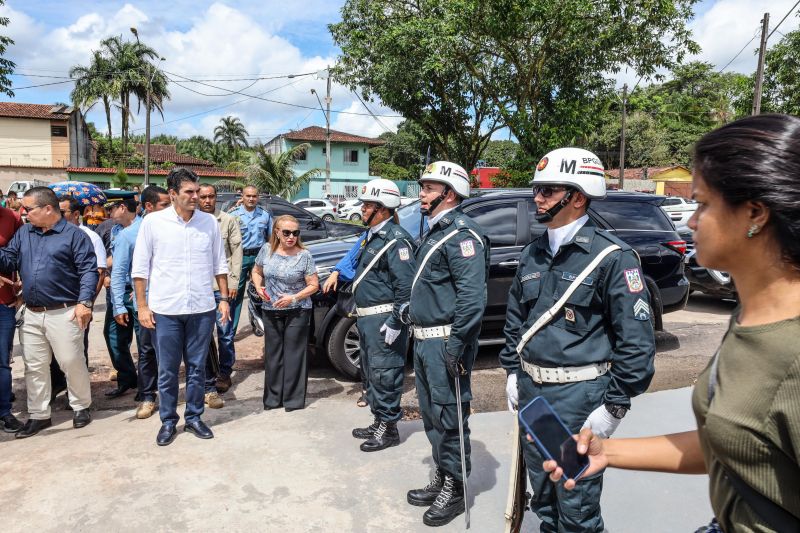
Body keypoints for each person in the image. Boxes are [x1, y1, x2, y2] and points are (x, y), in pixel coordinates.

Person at [543, 114, 800, 532]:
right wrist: (608, 452)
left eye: (702, 204)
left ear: (754, 212)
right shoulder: (751, 316)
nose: (690, 221)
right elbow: (734, 446)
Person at [499, 147, 656, 532]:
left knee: (576, 503)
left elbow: (636, 343)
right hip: (534, 394)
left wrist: (614, 407)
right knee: (543, 494)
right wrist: (511, 373)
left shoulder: (613, 258)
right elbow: (516, 319)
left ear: (578, 197)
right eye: (537, 189)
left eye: (549, 190)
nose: (537, 197)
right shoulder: (532, 254)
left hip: (578, 400)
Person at [402, 161, 489, 527]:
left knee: (449, 415)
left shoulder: (463, 236)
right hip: (424, 343)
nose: (421, 194)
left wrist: (455, 346)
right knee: (432, 414)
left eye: (428, 188)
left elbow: (472, 299)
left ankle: (454, 487)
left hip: (444, 345)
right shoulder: (436, 233)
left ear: (448, 194)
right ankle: (442, 473)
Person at [131, 168, 230, 446]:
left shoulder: (208, 223)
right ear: (173, 194)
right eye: (189, 192)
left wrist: (223, 300)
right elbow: (140, 269)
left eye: (197, 191)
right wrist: (142, 306)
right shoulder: (153, 223)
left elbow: (219, 263)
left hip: (201, 308)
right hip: (166, 309)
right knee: (168, 369)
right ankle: (168, 421)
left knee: (198, 367)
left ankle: (195, 417)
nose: (196, 196)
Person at [0, 187, 98, 438]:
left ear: (47, 209)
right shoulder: (24, 233)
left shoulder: (74, 236)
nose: (23, 213)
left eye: (28, 208)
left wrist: (85, 303)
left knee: (70, 361)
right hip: (31, 313)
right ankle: (39, 415)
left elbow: (88, 271)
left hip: (64, 312)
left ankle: (80, 406)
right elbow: (9, 260)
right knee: (34, 366)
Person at [340, 179, 416, 452]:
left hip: (385, 320)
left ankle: (389, 428)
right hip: (368, 319)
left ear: (382, 209)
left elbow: (405, 289)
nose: (362, 209)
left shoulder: (397, 241)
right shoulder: (374, 236)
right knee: (372, 372)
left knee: (386, 373)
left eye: (367, 205)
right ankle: (378, 419)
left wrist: (396, 321)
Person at [110, 185, 170, 420]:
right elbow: (119, 272)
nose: (170, 209)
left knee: (172, 352)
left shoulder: (173, 229)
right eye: (165, 204)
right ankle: (147, 396)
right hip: (144, 303)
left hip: (170, 301)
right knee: (147, 352)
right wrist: (119, 305)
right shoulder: (129, 234)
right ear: (148, 206)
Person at [250, 215, 318, 411]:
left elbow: (314, 285)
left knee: (294, 354)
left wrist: (294, 298)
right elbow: (256, 271)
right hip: (271, 309)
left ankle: (293, 400)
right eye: (286, 233)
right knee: (273, 355)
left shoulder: (304, 255)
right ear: (277, 233)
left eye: (295, 233)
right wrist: (258, 286)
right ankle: (272, 399)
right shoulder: (266, 250)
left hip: (298, 310)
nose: (291, 237)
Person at [50, 196, 108, 401]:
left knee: (75, 352)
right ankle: (58, 386)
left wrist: (88, 304)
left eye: (63, 212)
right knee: (52, 354)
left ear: (76, 215)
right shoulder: (50, 233)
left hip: (77, 305)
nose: (58, 215)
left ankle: (77, 396)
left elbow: (99, 272)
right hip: (52, 306)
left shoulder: (89, 237)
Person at [197, 183, 243, 406]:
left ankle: (224, 372)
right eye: (203, 197)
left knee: (224, 332)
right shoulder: (192, 221)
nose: (207, 201)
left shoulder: (227, 220)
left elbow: (236, 254)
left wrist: (233, 282)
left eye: (211, 197)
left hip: (221, 288)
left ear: (216, 198)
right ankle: (206, 375)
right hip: (198, 289)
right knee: (202, 336)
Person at [323, 231, 368, 406]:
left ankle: (383, 398)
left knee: (383, 354)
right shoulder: (367, 236)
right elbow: (352, 256)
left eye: (368, 206)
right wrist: (336, 272)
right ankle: (367, 391)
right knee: (366, 349)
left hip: (384, 306)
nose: (363, 210)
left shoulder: (395, 237)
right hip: (365, 303)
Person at [102, 192, 140, 399]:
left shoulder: (144, 229)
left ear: (123, 208)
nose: (109, 213)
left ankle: (146, 384)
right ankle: (127, 379)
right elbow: (115, 263)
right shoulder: (115, 230)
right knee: (114, 336)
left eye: (112, 209)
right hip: (119, 291)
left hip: (139, 292)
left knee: (146, 342)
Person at [229, 185, 272, 333]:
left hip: (259, 258)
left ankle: (259, 325)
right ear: (243, 196)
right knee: (236, 293)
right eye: (248, 196)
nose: (251, 199)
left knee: (259, 292)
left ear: (258, 197)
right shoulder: (234, 214)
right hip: (239, 257)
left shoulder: (265, 215)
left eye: (254, 196)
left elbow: (271, 239)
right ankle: (232, 330)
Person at [0, 203, 21, 432]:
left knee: (2, 362)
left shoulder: (12, 218)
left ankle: (4, 412)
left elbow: (17, 258)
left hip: (3, 303)